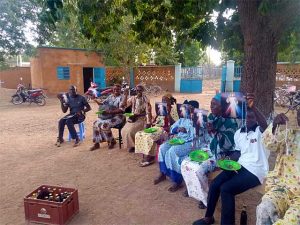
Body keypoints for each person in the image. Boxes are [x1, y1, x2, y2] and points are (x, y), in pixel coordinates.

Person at [192, 104, 269, 225]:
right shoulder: (239, 133)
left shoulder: (261, 132)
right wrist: (227, 160)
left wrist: (254, 107)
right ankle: (208, 217)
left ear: (256, 119)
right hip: (240, 165)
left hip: (256, 170)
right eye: (247, 117)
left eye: (252, 117)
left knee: (226, 189)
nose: (249, 120)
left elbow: (266, 126)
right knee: (216, 184)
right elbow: (238, 152)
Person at [181, 93, 238, 208]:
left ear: (222, 107)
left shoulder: (231, 122)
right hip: (209, 148)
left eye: (214, 105)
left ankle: (206, 197)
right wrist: (195, 118)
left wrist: (215, 132)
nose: (211, 107)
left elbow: (228, 145)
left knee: (198, 169)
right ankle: (196, 191)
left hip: (221, 154)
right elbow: (201, 131)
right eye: (211, 104)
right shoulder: (211, 117)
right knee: (185, 163)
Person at [256, 109, 300, 225]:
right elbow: (270, 145)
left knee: (291, 221)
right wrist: (275, 126)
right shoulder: (289, 134)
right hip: (283, 187)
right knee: (263, 209)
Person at [154, 104, 195, 192]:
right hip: (178, 140)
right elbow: (172, 128)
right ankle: (163, 172)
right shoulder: (181, 120)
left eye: (183, 110)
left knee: (172, 152)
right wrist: (177, 129)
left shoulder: (195, 121)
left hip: (189, 143)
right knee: (162, 148)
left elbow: (196, 135)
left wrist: (186, 130)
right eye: (181, 110)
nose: (181, 112)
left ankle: (177, 180)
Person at [135, 93, 179, 167]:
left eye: (165, 100)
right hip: (157, 127)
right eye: (162, 100)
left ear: (170, 101)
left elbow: (175, 124)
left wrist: (168, 114)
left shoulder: (173, 110)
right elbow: (155, 121)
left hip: (166, 129)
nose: (163, 102)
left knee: (148, 137)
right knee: (139, 134)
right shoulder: (161, 108)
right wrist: (151, 114)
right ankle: (146, 154)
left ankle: (150, 157)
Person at [90, 84, 126, 151]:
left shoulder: (122, 97)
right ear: (112, 90)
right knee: (95, 123)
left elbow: (121, 109)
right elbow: (102, 104)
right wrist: (95, 99)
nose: (116, 90)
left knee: (105, 125)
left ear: (120, 90)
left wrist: (109, 112)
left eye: (117, 89)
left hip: (119, 116)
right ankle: (97, 143)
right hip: (108, 116)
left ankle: (111, 141)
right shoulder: (110, 96)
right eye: (114, 89)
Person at [121, 84, 152, 153]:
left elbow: (147, 112)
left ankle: (135, 146)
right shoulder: (133, 98)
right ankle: (131, 145)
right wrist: (125, 95)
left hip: (142, 118)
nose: (138, 92)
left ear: (143, 91)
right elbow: (124, 105)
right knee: (124, 130)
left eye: (140, 90)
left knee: (130, 131)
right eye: (137, 90)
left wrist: (137, 115)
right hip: (133, 118)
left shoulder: (146, 99)